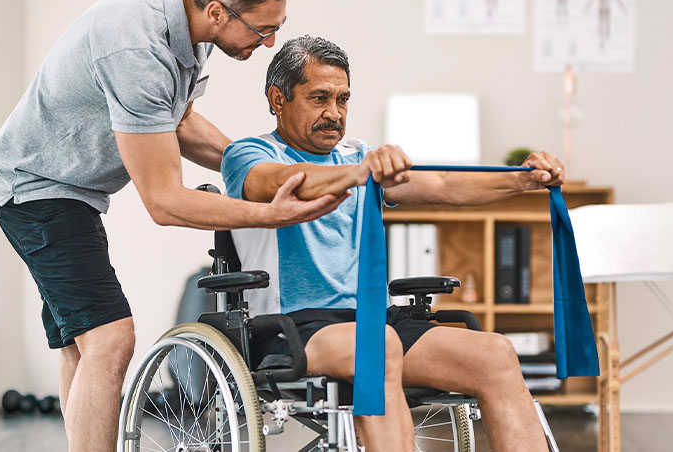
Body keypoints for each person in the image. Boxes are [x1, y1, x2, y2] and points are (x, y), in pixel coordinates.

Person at [0, 0, 345, 452]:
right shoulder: (136, 49)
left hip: (72, 190)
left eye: (277, 28)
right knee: (110, 340)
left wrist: (259, 166)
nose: (269, 43)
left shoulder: (186, 23)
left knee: (83, 348)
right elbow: (165, 201)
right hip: (36, 190)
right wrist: (269, 213)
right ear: (218, 10)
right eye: (262, 29)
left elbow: (178, 121)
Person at [221, 35, 563, 452]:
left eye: (343, 99)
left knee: (495, 352)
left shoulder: (357, 155)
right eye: (319, 98)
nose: (334, 113)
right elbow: (281, 184)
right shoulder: (248, 153)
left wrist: (523, 179)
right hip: (292, 327)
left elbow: (443, 183)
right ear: (278, 99)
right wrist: (358, 172)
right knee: (376, 346)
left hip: (374, 320)